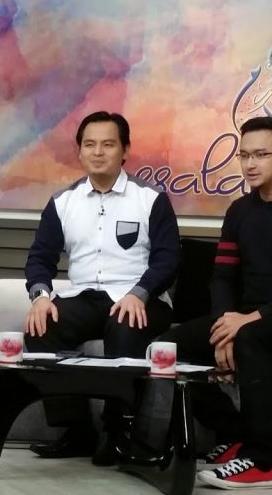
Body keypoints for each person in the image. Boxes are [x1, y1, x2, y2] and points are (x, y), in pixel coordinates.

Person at [160, 116, 272, 489]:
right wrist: (224, 325)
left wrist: (248, 321)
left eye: (260, 155)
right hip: (251, 318)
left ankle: (260, 463)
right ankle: (234, 433)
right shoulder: (239, 211)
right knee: (168, 348)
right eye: (244, 155)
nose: (250, 164)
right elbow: (222, 277)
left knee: (251, 338)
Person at [24, 111, 181, 466]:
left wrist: (140, 292)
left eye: (108, 144)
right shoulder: (63, 202)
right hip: (83, 296)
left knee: (126, 324)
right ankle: (77, 430)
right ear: (79, 151)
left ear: (125, 150)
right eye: (89, 144)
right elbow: (40, 258)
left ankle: (120, 432)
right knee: (41, 326)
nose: (98, 152)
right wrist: (40, 297)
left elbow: (168, 259)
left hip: (140, 296)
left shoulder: (149, 199)